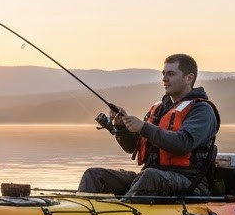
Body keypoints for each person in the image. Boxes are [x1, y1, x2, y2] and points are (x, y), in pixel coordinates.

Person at [79, 53, 221, 200]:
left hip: (189, 183)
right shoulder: (159, 109)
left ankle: (121, 212)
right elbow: (132, 148)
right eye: (163, 74)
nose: (164, 79)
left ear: (189, 78)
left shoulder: (202, 110)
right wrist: (122, 128)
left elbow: (183, 143)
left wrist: (143, 127)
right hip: (150, 177)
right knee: (94, 175)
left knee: (150, 176)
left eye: (171, 74)